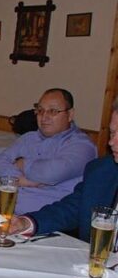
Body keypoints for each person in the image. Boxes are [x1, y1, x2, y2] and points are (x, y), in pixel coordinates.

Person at [9, 97, 118, 242]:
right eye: (112, 133)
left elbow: (51, 173)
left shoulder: (81, 145)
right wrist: (27, 223)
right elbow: (71, 209)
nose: (111, 142)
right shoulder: (102, 171)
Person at [0, 89, 96, 214]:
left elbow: (52, 173)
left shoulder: (82, 146)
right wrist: (20, 179)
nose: (44, 117)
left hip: (46, 219)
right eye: (40, 111)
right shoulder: (28, 138)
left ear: (70, 114)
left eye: (53, 111)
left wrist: (23, 163)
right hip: (7, 213)